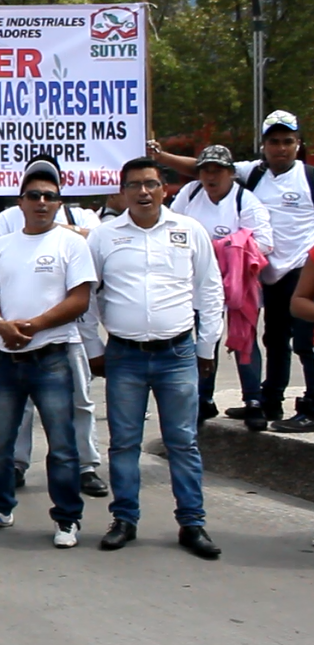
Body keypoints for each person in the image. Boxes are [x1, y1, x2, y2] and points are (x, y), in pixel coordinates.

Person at [86, 157, 224, 559]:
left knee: (183, 442)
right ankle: (124, 519)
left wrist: (206, 346)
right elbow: (87, 297)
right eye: (134, 185)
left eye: (150, 184)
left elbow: (209, 290)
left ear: (165, 188)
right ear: (122, 191)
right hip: (125, 354)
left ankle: (192, 523)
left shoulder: (189, 231)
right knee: (124, 443)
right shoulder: (104, 237)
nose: (143, 192)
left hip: (177, 352)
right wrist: (95, 348)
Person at [150, 113, 314, 431]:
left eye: (287, 142)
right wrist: (160, 156)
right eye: (273, 142)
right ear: (263, 145)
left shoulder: (308, 178)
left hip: (300, 269)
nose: (280, 148)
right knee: (273, 339)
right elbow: (197, 166)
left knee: (306, 341)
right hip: (264, 275)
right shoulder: (251, 172)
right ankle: (269, 401)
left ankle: (311, 406)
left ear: (298, 144)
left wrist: (227, 248)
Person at [0, 161, 93, 548]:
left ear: (58, 203)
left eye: (49, 196)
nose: (41, 202)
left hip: (52, 356)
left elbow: (80, 299)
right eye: (34, 195)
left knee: (62, 443)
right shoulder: (3, 245)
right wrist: (1, 324)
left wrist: (35, 325)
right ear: (20, 202)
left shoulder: (71, 244)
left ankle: (67, 518)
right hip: (7, 357)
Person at [168, 145, 274, 428]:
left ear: (230, 174)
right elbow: (169, 228)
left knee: (245, 341)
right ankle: (204, 399)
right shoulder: (189, 195)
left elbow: (265, 241)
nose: (211, 177)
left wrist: (227, 247)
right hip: (199, 281)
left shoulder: (245, 201)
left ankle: (253, 400)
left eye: (218, 171)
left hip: (238, 282)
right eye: (205, 170)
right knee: (206, 338)